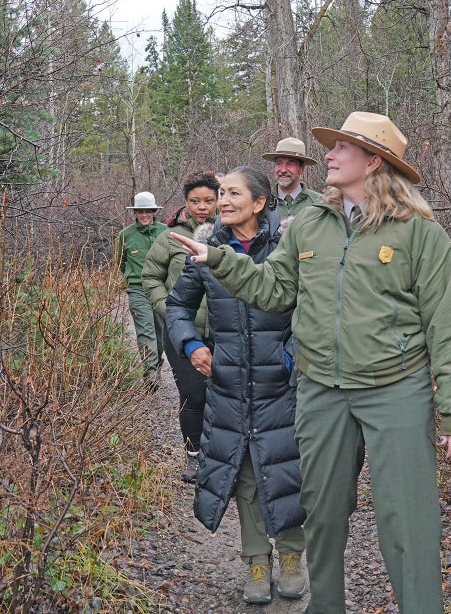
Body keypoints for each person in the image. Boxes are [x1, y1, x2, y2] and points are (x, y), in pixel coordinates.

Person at [171, 112, 451, 614]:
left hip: (394, 390)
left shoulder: (418, 233)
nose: (329, 157)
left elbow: (446, 324)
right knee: (322, 514)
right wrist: (219, 260)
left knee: (408, 520)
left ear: (373, 161)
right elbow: (272, 290)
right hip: (320, 392)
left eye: (341, 149)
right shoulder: (310, 224)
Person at [166, 166, 308, 605]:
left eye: (232, 193)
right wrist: (191, 344)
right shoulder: (208, 250)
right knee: (244, 471)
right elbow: (177, 306)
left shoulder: (286, 246)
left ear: (260, 203)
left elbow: (312, 305)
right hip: (228, 382)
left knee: (286, 468)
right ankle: (256, 561)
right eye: (220, 193)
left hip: (280, 383)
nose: (222, 201)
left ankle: (290, 556)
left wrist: (291, 353)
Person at [141, 171, 220, 483]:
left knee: (224, 394)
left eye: (209, 200)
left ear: (218, 201)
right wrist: (171, 312)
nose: (202, 207)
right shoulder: (169, 237)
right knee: (193, 394)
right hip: (181, 334)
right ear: (185, 202)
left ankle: (222, 455)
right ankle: (194, 456)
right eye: (195, 201)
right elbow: (151, 278)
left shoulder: (227, 233)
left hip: (223, 332)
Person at [116, 191, 167, 381]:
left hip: (161, 289)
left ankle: (157, 363)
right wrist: (134, 277)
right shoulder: (125, 235)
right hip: (137, 289)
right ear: (135, 213)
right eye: (140, 211)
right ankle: (150, 373)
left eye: (148, 211)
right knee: (145, 330)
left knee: (160, 331)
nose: (144, 215)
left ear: (154, 211)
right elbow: (120, 262)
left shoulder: (166, 231)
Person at [263, 137, 321, 220]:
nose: (283, 170)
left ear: (302, 169)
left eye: (290, 164)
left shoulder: (319, 203)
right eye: (279, 163)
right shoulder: (261, 203)